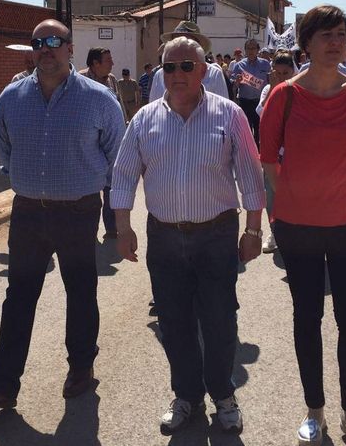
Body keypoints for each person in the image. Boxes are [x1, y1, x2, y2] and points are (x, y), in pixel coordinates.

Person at [0, 19, 125, 412]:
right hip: (27, 212)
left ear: (70, 47)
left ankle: (81, 367)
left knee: (81, 291)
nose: (46, 49)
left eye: (54, 41)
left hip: (79, 210)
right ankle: (3, 385)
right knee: (18, 296)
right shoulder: (11, 97)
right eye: (38, 43)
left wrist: (106, 203)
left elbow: (116, 155)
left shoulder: (99, 99)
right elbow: (5, 149)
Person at [111, 37, 265, 436]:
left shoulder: (229, 114)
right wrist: (123, 227)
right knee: (174, 321)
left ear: (203, 71)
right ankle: (186, 396)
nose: (177, 74)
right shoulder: (144, 119)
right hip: (164, 237)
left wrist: (253, 229)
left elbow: (251, 176)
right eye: (169, 67)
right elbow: (124, 175)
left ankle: (223, 395)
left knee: (219, 320)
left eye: (186, 66)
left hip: (216, 235)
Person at [259, 4, 346, 446]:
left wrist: (333, 192)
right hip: (298, 227)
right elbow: (268, 160)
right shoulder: (284, 95)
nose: (336, 42)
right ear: (305, 43)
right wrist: (299, 197)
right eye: (326, 35)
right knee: (307, 318)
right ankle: (315, 411)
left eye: (341, 34)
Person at [80, 46, 125, 240]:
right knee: (89, 189)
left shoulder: (112, 80)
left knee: (110, 185)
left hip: (110, 141)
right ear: (95, 63)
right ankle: (87, 229)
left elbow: (119, 106)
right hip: (88, 142)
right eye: (108, 60)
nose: (112, 63)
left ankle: (111, 228)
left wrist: (123, 127)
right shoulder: (80, 81)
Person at [256, 51, 296, 253]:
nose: (281, 77)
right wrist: (273, 88)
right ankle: (275, 232)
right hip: (273, 154)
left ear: (293, 71)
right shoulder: (267, 89)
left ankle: (296, 232)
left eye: (285, 73)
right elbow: (262, 112)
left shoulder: (300, 89)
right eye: (277, 73)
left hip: (295, 154)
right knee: (271, 196)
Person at [148, 21, 230, 101]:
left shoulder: (214, 74)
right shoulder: (159, 75)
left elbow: (222, 107)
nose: (180, 45)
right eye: (176, 40)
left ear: (198, 46)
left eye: (186, 41)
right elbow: (154, 107)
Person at [230, 38, 271, 145]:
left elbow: (270, 82)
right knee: (246, 130)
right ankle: (247, 151)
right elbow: (233, 86)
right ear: (245, 50)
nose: (251, 51)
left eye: (253, 48)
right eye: (248, 48)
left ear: (258, 50)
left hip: (261, 102)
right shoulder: (238, 65)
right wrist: (237, 82)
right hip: (245, 102)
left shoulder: (266, 64)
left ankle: (258, 151)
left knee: (260, 130)